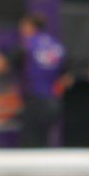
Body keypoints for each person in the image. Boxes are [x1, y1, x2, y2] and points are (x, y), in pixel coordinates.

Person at [13, 13, 67, 148]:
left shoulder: (27, 46)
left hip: (35, 100)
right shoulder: (57, 45)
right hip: (54, 101)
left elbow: (7, 66)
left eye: (23, 26)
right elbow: (67, 77)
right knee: (45, 141)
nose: (21, 30)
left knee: (30, 142)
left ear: (30, 27)